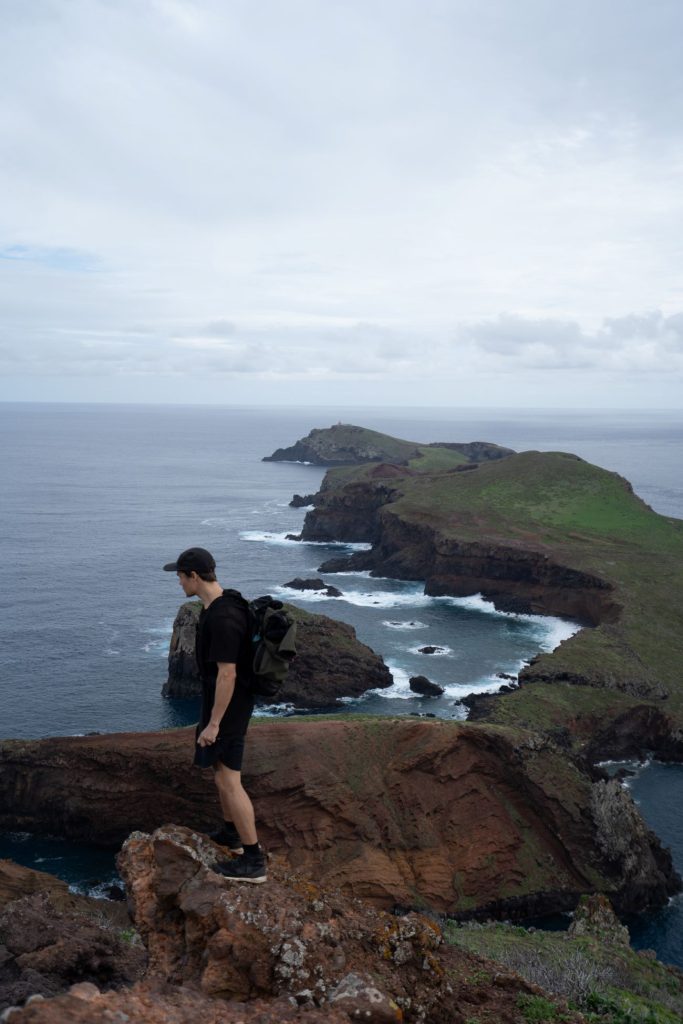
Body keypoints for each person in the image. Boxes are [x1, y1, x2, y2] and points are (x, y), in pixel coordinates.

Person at [163, 546, 266, 883]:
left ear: (194, 575)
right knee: (221, 773)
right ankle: (231, 834)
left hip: (229, 708)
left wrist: (214, 724)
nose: (178, 582)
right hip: (226, 703)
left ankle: (252, 861)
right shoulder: (224, 602)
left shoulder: (223, 617)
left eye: (180, 576)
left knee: (230, 780)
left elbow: (228, 674)